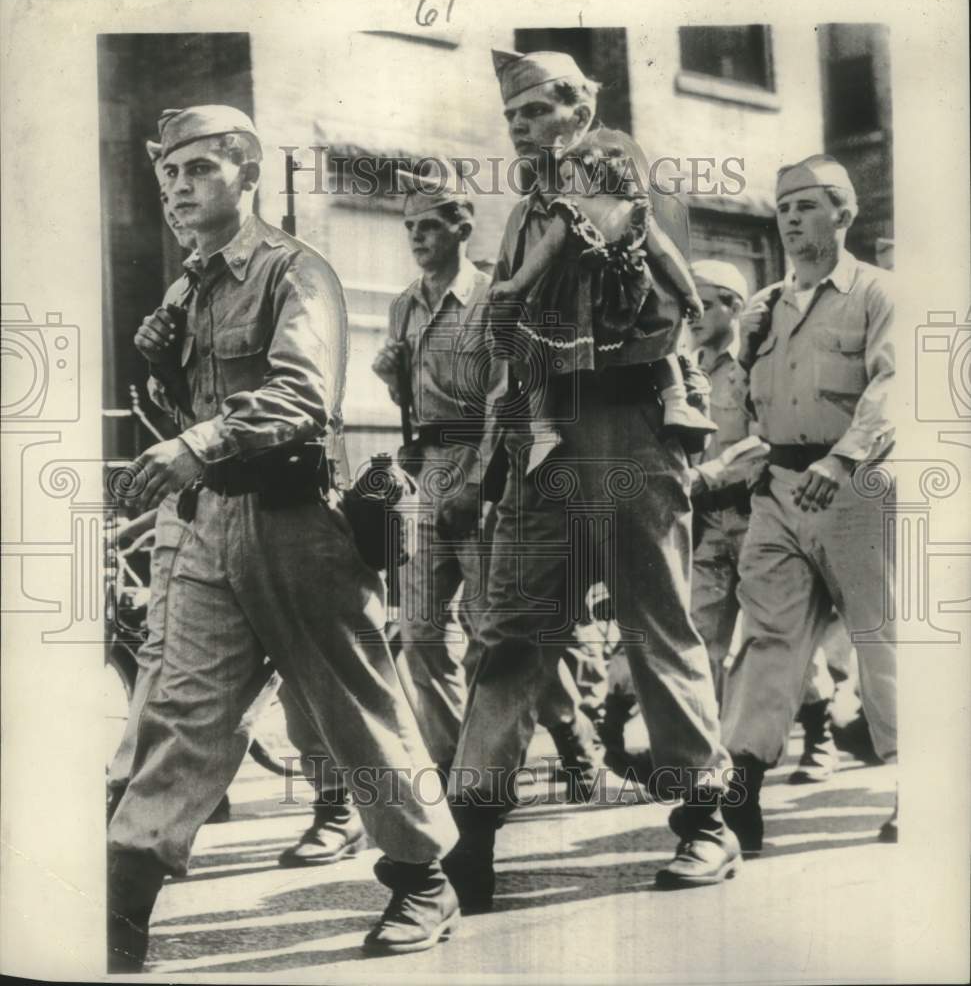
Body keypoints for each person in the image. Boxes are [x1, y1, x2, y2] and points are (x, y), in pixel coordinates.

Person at [106, 105, 460, 972]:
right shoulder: (186, 289)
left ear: (245, 170)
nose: (177, 191)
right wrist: (160, 379)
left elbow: (304, 396)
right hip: (204, 527)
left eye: (195, 171)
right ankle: (122, 905)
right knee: (181, 715)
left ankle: (421, 879)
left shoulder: (295, 272)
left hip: (296, 524)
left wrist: (193, 443)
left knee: (351, 707)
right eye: (167, 178)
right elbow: (189, 414)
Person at [442, 49, 741, 912]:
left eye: (536, 112)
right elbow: (508, 346)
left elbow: (610, 228)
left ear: (576, 107)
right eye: (513, 118)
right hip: (546, 432)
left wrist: (529, 280)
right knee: (512, 633)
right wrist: (489, 456)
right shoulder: (521, 213)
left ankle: (702, 815)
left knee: (655, 625)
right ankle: (471, 833)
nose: (523, 129)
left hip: (628, 424)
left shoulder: (616, 164)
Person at [371, 166, 604, 799]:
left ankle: (573, 735)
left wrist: (478, 479)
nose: (417, 237)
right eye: (409, 227)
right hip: (425, 472)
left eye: (429, 225)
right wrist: (393, 376)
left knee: (495, 629)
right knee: (418, 633)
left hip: (485, 465)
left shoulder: (496, 297)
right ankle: (454, 768)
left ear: (462, 227)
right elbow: (414, 400)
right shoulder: (403, 305)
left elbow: (510, 394)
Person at [719, 154, 898, 853]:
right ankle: (740, 781)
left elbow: (893, 387)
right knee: (767, 640)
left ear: (842, 214)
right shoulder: (763, 308)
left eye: (806, 206)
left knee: (881, 640)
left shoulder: (877, 292)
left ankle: (917, 786)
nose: (790, 220)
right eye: (783, 208)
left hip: (857, 485)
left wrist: (842, 457)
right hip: (778, 489)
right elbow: (740, 410)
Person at [686, 258, 843, 783]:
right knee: (700, 635)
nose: (693, 314)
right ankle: (713, 760)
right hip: (706, 526)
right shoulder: (687, 367)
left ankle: (820, 739)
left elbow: (767, 437)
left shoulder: (754, 362)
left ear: (735, 306)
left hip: (758, 515)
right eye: (688, 303)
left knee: (776, 634)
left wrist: (708, 475)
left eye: (705, 303)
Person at [491, 127, 714, 448]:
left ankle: (545, 427)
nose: (564, 187)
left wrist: (515, 285)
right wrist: (687, 292)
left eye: (569, 178)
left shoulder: (570, 213)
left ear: (595, 175)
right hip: (631, 295)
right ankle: (676, 400)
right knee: (657, 340)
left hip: (580, 299)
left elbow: (543, 255)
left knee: (546, 354)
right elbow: (665, 254)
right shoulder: (634, 210)